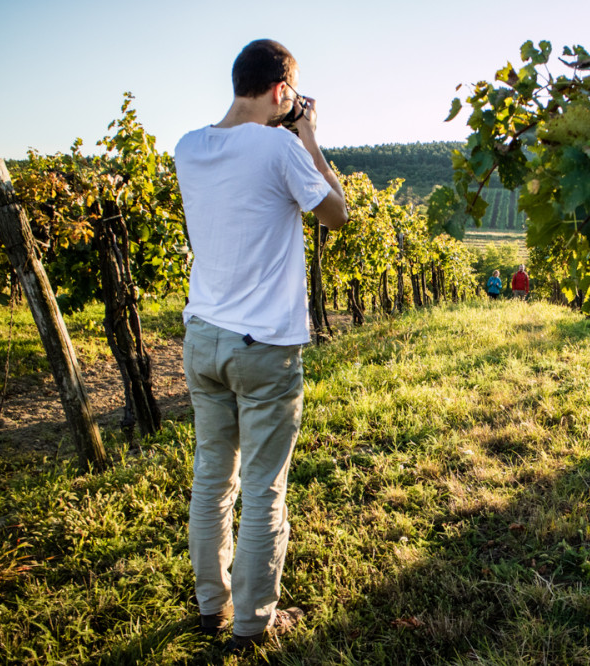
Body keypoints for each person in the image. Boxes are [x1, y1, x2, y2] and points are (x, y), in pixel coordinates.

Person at [174, 39, 348, 651]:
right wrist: (310, 133)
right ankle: (253, 621)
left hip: (202, 338)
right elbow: (337, 214)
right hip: (264, 347)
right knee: (265, 485)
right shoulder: (281, 146)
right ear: (281, 91)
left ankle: (209, 605)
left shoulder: (188, 148)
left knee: (211, 478)